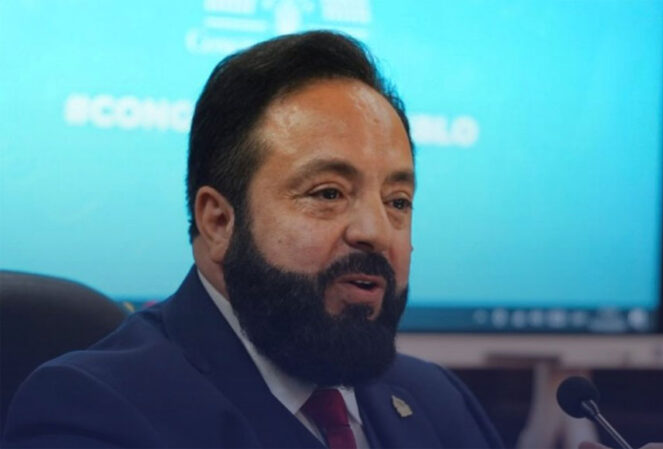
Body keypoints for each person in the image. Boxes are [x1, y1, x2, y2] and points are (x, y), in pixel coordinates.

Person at [2, 31, 504, 448]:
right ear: (219, 222)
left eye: (397, 201)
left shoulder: (438, 401)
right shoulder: (92, 409)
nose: (375, 232)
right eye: (328, 193)